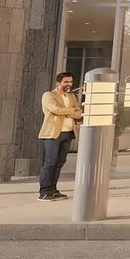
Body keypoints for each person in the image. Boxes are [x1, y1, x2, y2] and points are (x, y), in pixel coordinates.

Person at [37, 71, 83, 202]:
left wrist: (69, 113)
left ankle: (53, 189)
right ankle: (44, 191)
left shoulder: (72, 97)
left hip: (68, 133)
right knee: (50, 162)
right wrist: (71, 112)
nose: (69, 84)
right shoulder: (49, 95)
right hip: (53, 134)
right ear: (58, 83)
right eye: (66, 82)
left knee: (59, 162)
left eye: (71, 82)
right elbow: (55, 110)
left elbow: (79, 113)